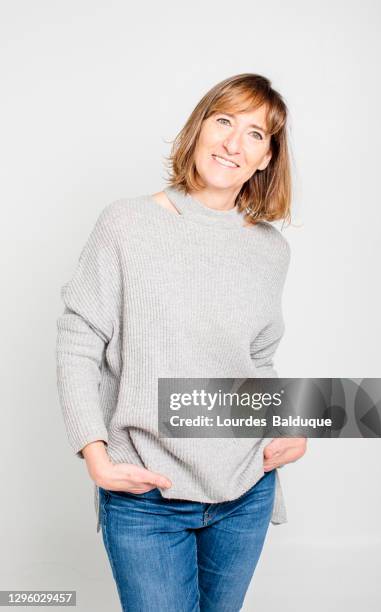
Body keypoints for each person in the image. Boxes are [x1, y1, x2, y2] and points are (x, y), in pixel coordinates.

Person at [56, 72, 307, 612]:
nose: (233, 143)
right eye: (223, 121)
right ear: (198, 129)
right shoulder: (126, 223)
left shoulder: (270, 250)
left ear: (267, 158)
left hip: (245, 490)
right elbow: (79, 341)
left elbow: (258, 358)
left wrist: (292, 423)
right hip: (147, 494)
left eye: (255, 134)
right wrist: (95, 455)